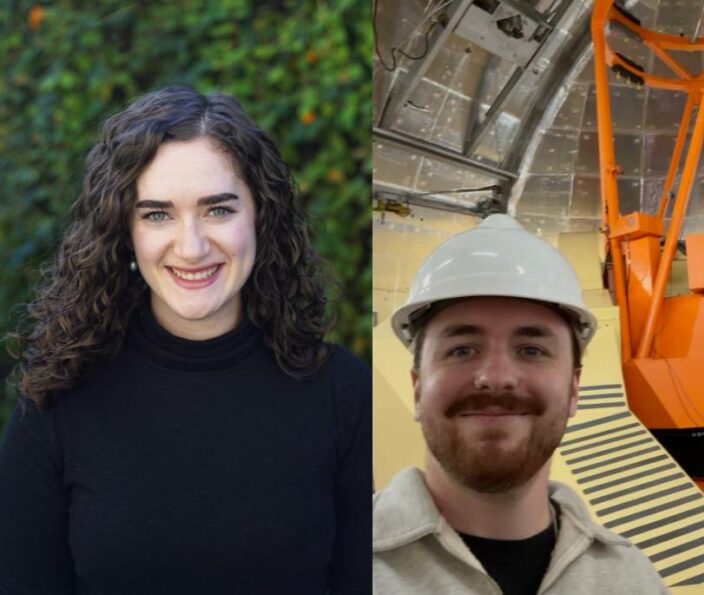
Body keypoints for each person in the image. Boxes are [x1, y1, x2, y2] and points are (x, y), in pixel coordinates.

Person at [0, 87, 370, 593]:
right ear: (124, 231)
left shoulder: (345, 395)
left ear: (260, 215)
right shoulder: (57, 402)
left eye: (218, 210)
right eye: (157, 214)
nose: (191, 247)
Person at [373, 214, 667, 594]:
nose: (495, 377)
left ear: (574, 389)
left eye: (531, 350)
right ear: (417, 388)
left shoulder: (631, 581)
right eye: (462, 350)